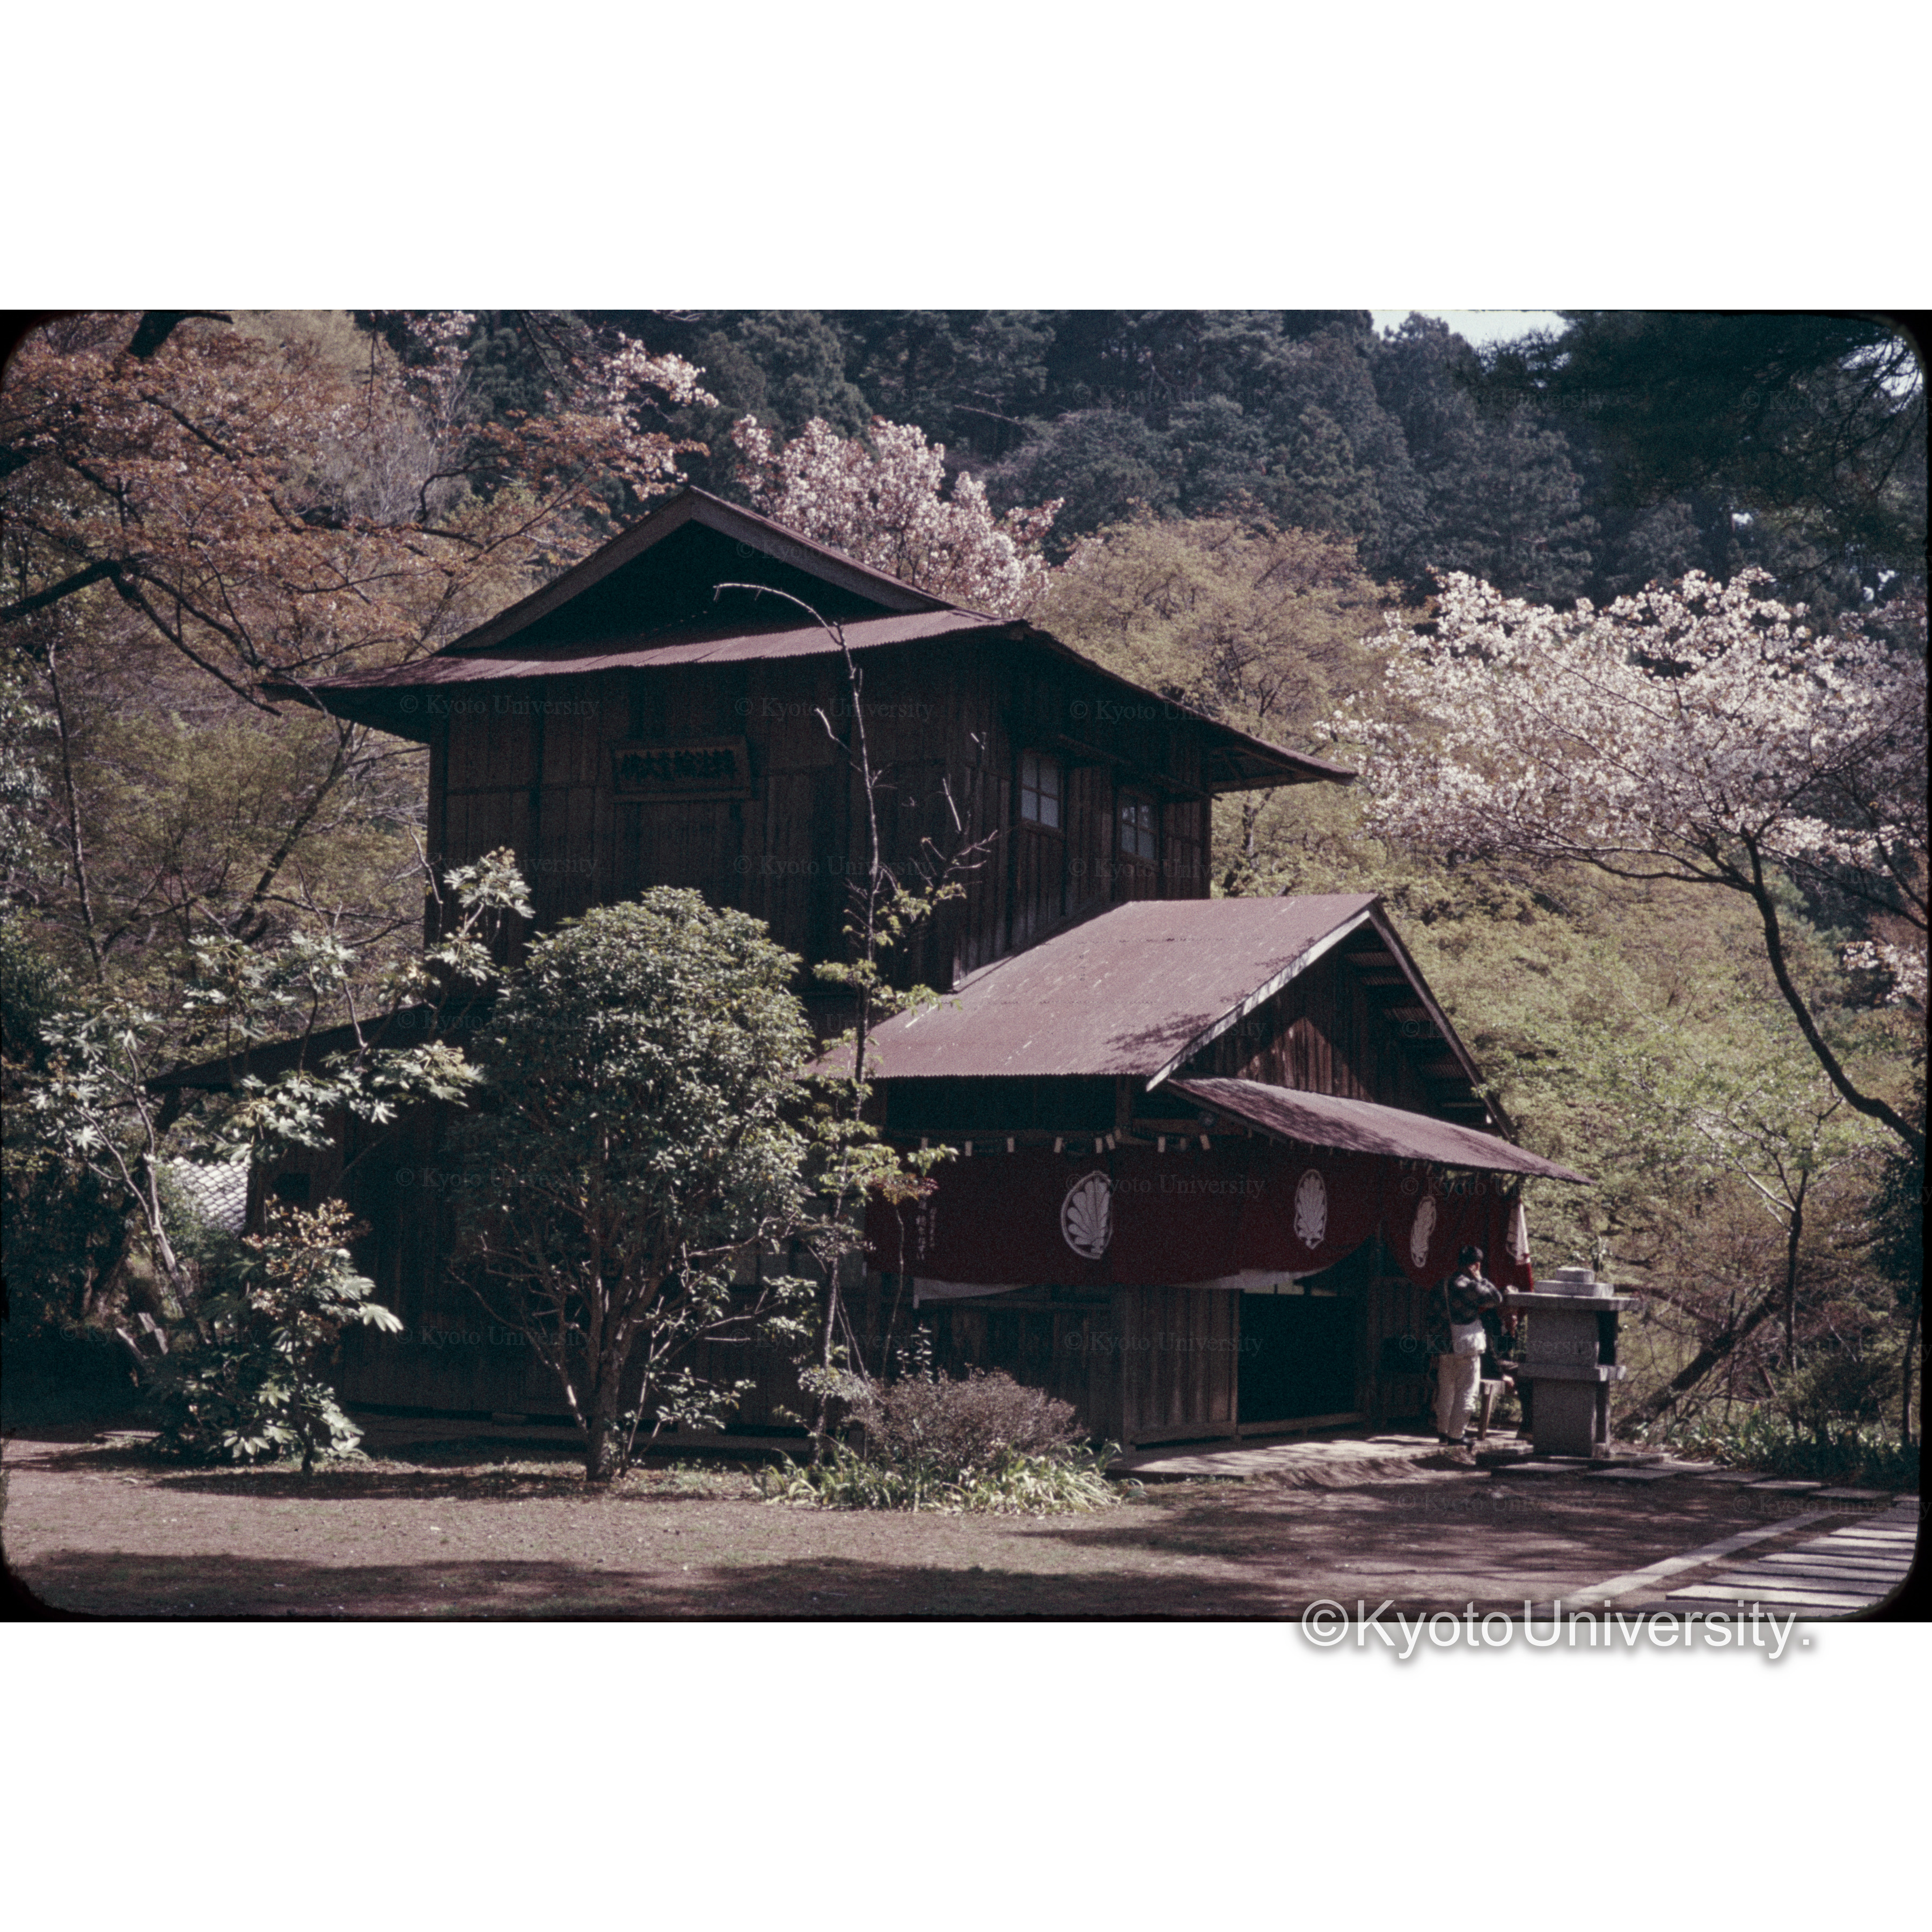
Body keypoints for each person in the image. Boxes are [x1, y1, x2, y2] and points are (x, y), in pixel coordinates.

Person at [1427, 1244, 1503, 1447]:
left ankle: (1443, 1433)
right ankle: (1456, 1435)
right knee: (1467, 1391)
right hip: (1466, 1345)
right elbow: (1496, 1299)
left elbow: (1431, 1317)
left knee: (1446, 1391)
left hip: (1444, 1345)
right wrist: (1480, 1279)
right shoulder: (1470, 1286)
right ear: (1476, 1265)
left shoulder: (1441, 1284)